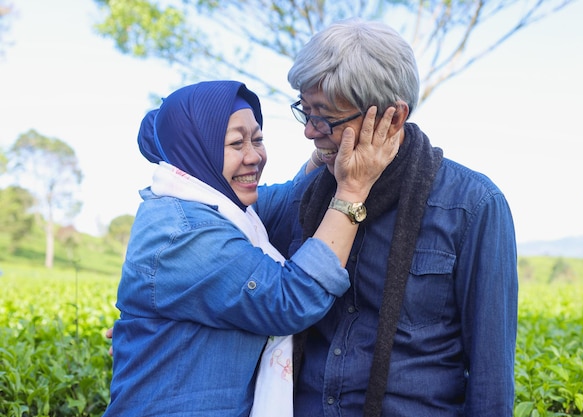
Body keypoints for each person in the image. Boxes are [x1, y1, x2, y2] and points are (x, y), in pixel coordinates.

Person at [253, 19, 519, 417]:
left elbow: (490, 381)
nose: (309, 132)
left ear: (393, 118)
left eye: (325, 117)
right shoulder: (307, 196)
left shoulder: (472, 206)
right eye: (304, 111)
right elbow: (225, 251)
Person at [103, 80, 399, 416]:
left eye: (258, 139)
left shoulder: (223, 210)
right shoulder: (184, 233)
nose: (254, 156)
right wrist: (352, 191)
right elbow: (290, 300)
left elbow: (290, 198)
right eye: (236, 143)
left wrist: (329, 145)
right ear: (194, 149)